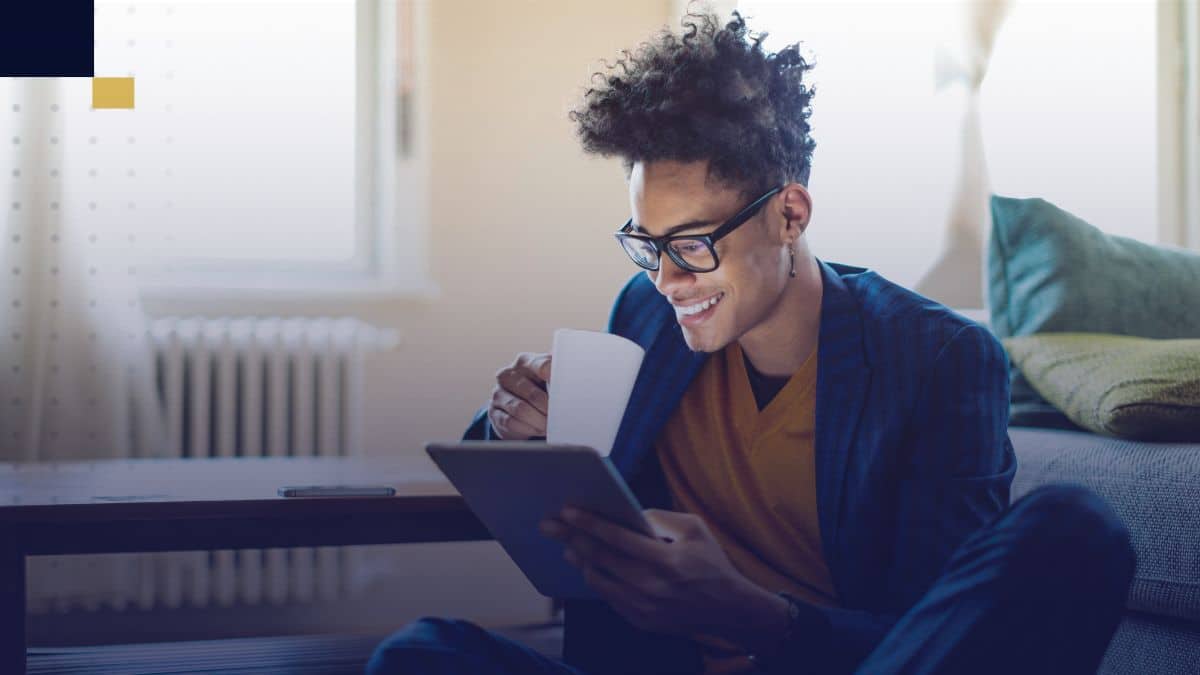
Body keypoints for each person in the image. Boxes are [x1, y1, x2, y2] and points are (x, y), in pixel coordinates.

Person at [369, 12, 1134, 675]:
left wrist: (747, 611)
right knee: (422, 652)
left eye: (693, 244)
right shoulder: (644, 315)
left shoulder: (938, 359)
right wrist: (512, 424)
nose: (667, 278)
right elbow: (557, 488)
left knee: (1075, 531)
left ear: (790, 215)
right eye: (647, 243)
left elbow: (933, 634)